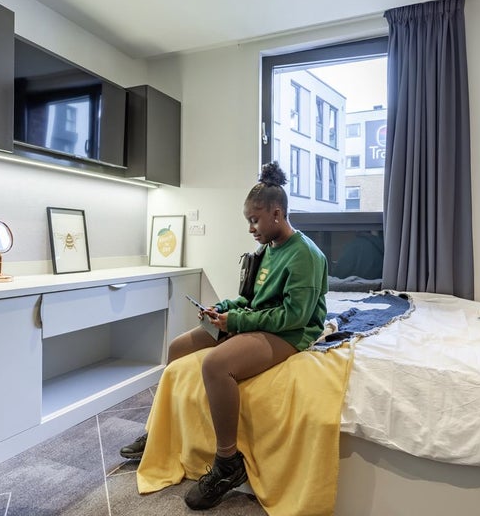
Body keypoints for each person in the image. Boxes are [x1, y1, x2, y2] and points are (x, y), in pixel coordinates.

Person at [119, 161, 328, 511]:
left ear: (277, 214)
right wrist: (222, 309)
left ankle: (228, 462)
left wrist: (238, 323)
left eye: (255, 220)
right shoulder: (266, 250)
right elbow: (249, 298)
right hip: (259, 320)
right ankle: (160, 431)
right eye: (248, 220)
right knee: (178, 347)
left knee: (216, 365)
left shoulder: (305, 255)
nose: (250, 228)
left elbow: (295, 317)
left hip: (292, 334)